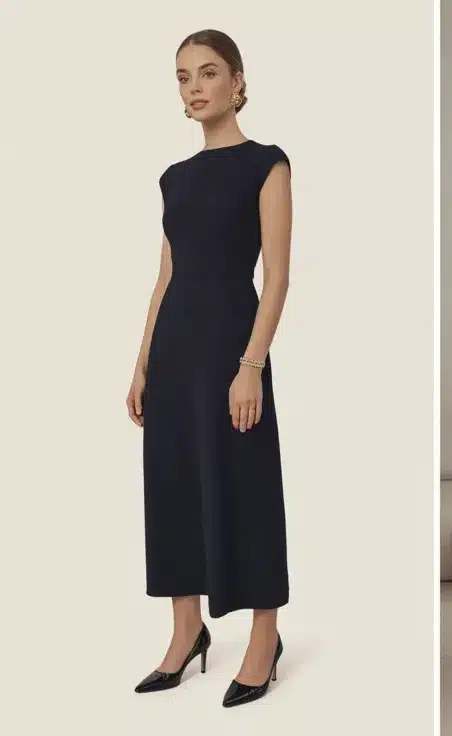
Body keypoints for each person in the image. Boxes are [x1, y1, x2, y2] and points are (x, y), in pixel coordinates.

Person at [126, 29, 291, 708]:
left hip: (231, 346)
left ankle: (264, 638)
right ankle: (186, 630)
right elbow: (166, 276)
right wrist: (141, 364)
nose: (194, 88)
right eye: (183, 77)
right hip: (174, 351)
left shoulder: (267, 164)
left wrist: (251, 364)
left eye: (208, 73)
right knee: (172, 485)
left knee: (246, 483)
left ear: (237, 81)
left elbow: (277, 277)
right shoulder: (175, 178)